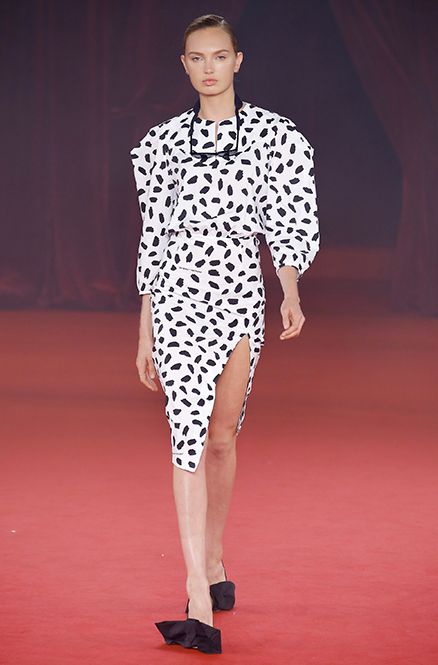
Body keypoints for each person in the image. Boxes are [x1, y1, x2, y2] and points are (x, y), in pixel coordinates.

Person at [131, 14, 319, 654]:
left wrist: (290, 289)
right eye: (196, 57)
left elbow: (288, 219)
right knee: (186, 434)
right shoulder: (161, 145)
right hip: (178, 300)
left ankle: (213, 557)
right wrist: (145, 328)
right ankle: (196, 591)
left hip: (240, 296)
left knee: (220, 435)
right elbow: (154, 240)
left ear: (237, 60)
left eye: (218, 56)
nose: (208, 67)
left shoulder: (274, 138)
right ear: (184, 65)